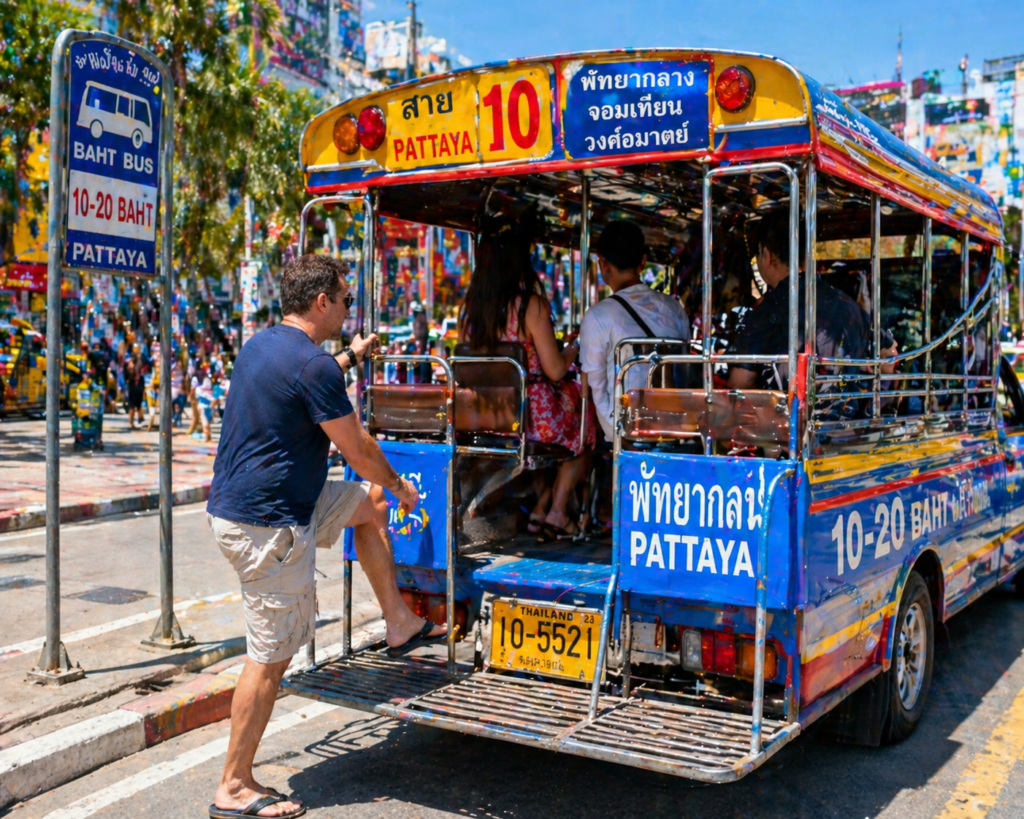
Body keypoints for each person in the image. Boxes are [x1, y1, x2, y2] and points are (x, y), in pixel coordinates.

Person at [206, 255, 444, 819]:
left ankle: (398, 622)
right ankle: (234, 787)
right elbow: (357, 448)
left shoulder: (264, 345)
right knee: (269, 657)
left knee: (368, 505)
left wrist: (351, 357)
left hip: (263, 505)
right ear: (321, 303)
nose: (347, 307)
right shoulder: (313, 368)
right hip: (268, 525)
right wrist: (403, 485)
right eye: (343, 298)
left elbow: (305, 379)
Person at [460, 216, 595, 538]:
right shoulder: (528, 306)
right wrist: (574, 346)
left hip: (485, 414)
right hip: (533, 416)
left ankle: (542, 506)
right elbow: (556, 370)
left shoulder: (470, 312)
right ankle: (558, 510)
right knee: (586, 428)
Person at [728, 210, 897, 394]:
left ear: (768, 255)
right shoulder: (847, 303)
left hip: (790, 418)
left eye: (757, 254)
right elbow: (890, 353)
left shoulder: (767, 310)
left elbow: (741, 382)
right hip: (842, 418)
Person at [580, 220, 691, 443]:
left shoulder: (598, 316)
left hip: (626, 429)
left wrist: (615, 430)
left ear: (603, 264)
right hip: (675, 425)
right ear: (642, 262)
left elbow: (595, 385)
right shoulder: (673, 307)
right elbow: (684, 362)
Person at [124, 348, 145, 430]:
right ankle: (131, 422)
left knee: (138, 405)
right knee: (132, 405)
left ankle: (140, 420)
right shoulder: (129, 363)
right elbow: (127, 376)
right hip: (132, 386)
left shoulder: (140, 362)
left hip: (138, 386)